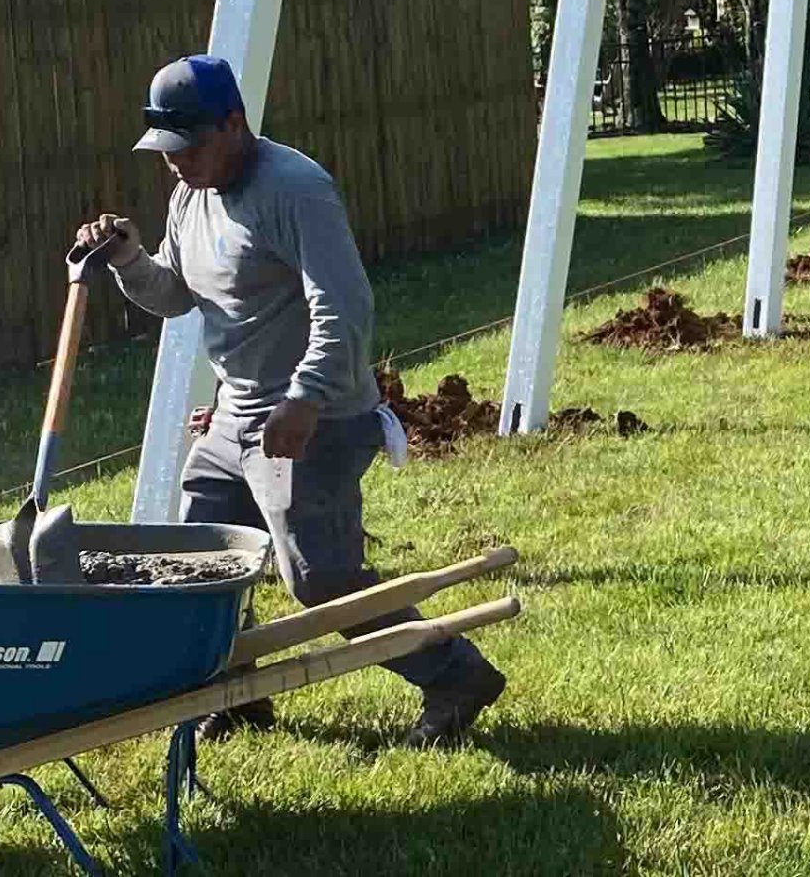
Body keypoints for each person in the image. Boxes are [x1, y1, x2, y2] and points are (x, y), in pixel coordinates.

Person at [77, 54, 505, 747]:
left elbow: (344, 305)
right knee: (199, 563)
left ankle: (454, 673)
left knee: (320, 580)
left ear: (234, 124)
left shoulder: (295, 189)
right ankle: (235, 690)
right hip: (235, 416)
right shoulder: (191, 191)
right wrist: (129, 259)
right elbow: (179, 295)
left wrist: (302, 399)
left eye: (189, 146)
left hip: (319, 419)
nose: (176, 163)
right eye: (166, 151)